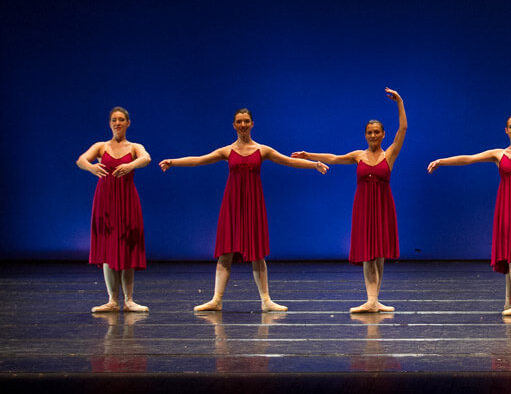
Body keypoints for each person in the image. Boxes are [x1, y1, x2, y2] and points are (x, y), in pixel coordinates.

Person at [159, 108, 328, 311]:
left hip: (253, 205)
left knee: (257, 253)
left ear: (252, 124)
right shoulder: (227, 151)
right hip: (232, 204)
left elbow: (288, 160)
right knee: (226, 252)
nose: (243, 125)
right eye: (239, 121)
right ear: (234, 125)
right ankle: (217, 299)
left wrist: (314, 165)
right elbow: (198, 160)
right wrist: (173, 162)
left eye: (246, 121)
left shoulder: (262, 150)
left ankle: (266, 300)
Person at [293, 89, 407, 312]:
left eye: (376, 132)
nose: (373, 136)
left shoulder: (390, 154)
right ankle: (370, 299)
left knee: (380, 253)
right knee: (367, 253)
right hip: (364, 207)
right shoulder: (359, 156)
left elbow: (403, 128)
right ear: (365, 135)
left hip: (383, 207)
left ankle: (375, 300)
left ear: (384, 134)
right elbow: (334, 158)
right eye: (369, 133)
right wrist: (310, 156)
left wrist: (399, 102)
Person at [427, 113, 511, 315]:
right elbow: (469, 159)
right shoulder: (499, 154)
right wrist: (442, 161)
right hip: (506, 207)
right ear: (506, 130)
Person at [76, 106, 152, 312]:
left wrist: (131, 165)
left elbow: (146, 158)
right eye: (114, 120)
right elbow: (81, 160)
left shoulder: (134, 147)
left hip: (127, 201)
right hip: (106, 201)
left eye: (121, 120)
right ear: (110, 124)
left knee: (127, 247)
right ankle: (112, 300)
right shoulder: (101, 147)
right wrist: (91, 167)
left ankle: (129, 300)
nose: (117, 123)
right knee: (109, 247)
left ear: (128, 123)